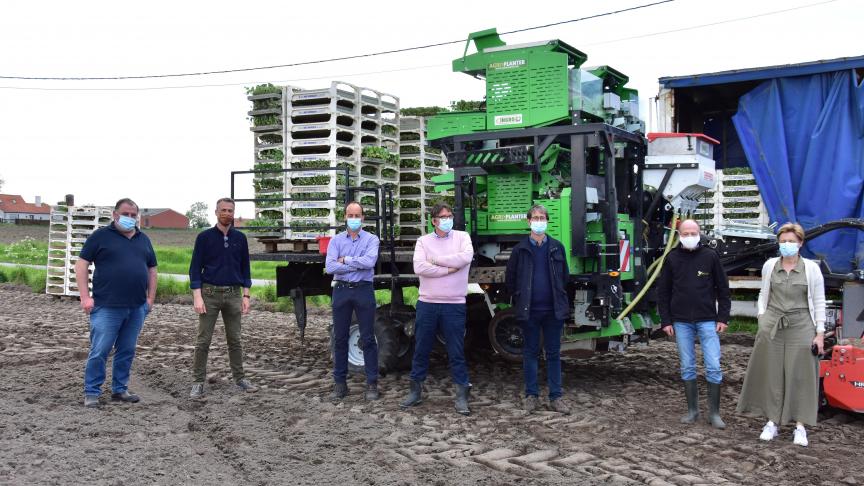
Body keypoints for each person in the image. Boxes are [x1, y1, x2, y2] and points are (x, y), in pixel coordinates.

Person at [737, 222, 825, 447]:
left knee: (801, 375)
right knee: (772, 373)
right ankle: (772, 421)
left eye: (792, 242)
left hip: (802, 324)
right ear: (778, 243)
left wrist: (820, 333)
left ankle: (800, 426)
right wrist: (761, 318)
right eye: (783, 241)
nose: (787, 245)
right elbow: (763, 294)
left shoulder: (811, 269)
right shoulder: (770, 266)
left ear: (800, 243)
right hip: (773, 325)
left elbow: (818, 301)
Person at [75, 198, 157, 408]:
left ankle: (119, 390)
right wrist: (85, 297)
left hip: (136, 307)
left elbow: (152, 269)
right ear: (115, 215)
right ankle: (92, 391)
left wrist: (150, 299)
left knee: (127, 350)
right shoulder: (100, 237)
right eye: (126, 214)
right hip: (106, 306)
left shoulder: (143, 239)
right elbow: (81, 265)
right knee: (100, 350)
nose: (130, 218)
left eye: (133, 215)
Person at [400, 203, 474, 415]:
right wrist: (450, 269)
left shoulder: (463, 237)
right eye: (443, 217)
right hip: (428, 304)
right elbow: (420, 267)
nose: (447, 219)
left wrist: (437, 261)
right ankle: (415, 392)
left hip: (455, 304)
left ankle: (461, 396)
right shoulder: (423, 241)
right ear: (433, 221)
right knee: (421, 348)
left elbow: (465, 258)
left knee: (456, 351)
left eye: (450, 216)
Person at [657, 219, 731, 429]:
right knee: (687, 367)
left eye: (693, 232)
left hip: (708, 320)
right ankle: (692, 411)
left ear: (700, 233)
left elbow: (723, 289)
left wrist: (723, 317)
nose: (690, 236)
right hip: (681, 322)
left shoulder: (710, 256)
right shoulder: (672, 258)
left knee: (713, 366)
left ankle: (714, 414)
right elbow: (663, 291)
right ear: (679, 235)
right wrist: (666, 320)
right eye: (685, 233)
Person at [505, 205, 571, 414]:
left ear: (547, 221)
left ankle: (556, 397)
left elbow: (565, 277)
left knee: (553, 353)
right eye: (535, 218)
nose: (539, 221)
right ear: (528, 222)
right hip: (530, 311)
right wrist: (520, 297)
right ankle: (531, 396)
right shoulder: (520, 250)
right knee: (530, 353)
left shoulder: (557, 247)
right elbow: (511, 279)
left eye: (542, 217)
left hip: (553, 311)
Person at [188, 197, 257, 399]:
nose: (227, 213)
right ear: (216, 212)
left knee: (235, 340)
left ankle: (240, 378)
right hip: (209, 294)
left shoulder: (240, 238)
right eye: (223, 210)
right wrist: (197, 297)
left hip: (234, 294)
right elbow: (194, 269)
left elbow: (245, 268)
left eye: (230, 210)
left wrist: (246, 294)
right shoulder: (204, 237)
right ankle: (198, 382)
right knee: (203, 341)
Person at [324, 201, 380, 402]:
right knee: (339, 339)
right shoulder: (336, 241)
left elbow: (370, 262)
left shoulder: (372, 239)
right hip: (341, 291)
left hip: (363, 291)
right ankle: (340, 384)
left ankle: (372, 383)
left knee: (367, 338)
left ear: (363, 218)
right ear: (344, 217)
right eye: (350, 215)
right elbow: (330, 267)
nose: (354, 219)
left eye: (358, 215)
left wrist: (345, 260)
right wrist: (356, 264)